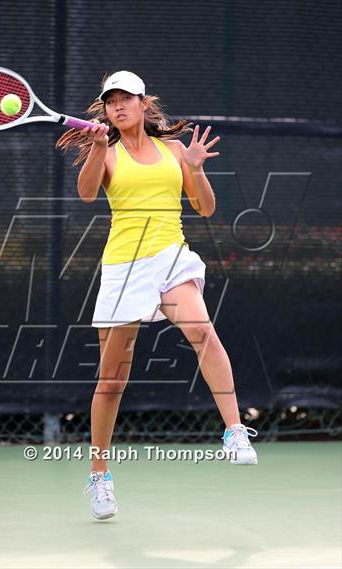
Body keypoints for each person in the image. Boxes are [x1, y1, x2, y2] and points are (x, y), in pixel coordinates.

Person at [55, 70, 258, 521]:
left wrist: (196, 169)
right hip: (124, 268)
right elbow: (87, 195)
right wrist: (98, 150)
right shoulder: (104, 150)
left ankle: (233, 430)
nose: (119, 106)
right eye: (111, 101)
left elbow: (205, 207)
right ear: (105, 109)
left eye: (127, 98)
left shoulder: (174, 150)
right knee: (112, 380)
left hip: (171, 257)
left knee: (203, 332)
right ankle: (99, 473)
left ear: (145, 104)